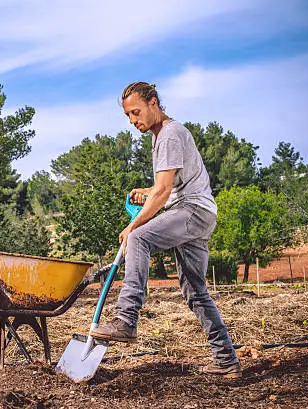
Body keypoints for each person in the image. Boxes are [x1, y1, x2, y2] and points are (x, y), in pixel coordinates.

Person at [90, 81, 241, 378]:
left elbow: (164, 193)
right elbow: (165, 188)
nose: (133, 121)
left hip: (192, 211)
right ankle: (226, 360)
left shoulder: (170, 134)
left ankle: (126, 319)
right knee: (195, 291)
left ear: (154, 103)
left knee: (138, 237)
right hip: (195, 211)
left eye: (136, 112)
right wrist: (149, 191)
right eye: (128, 116)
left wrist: (133, 223)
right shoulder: (161, 136)